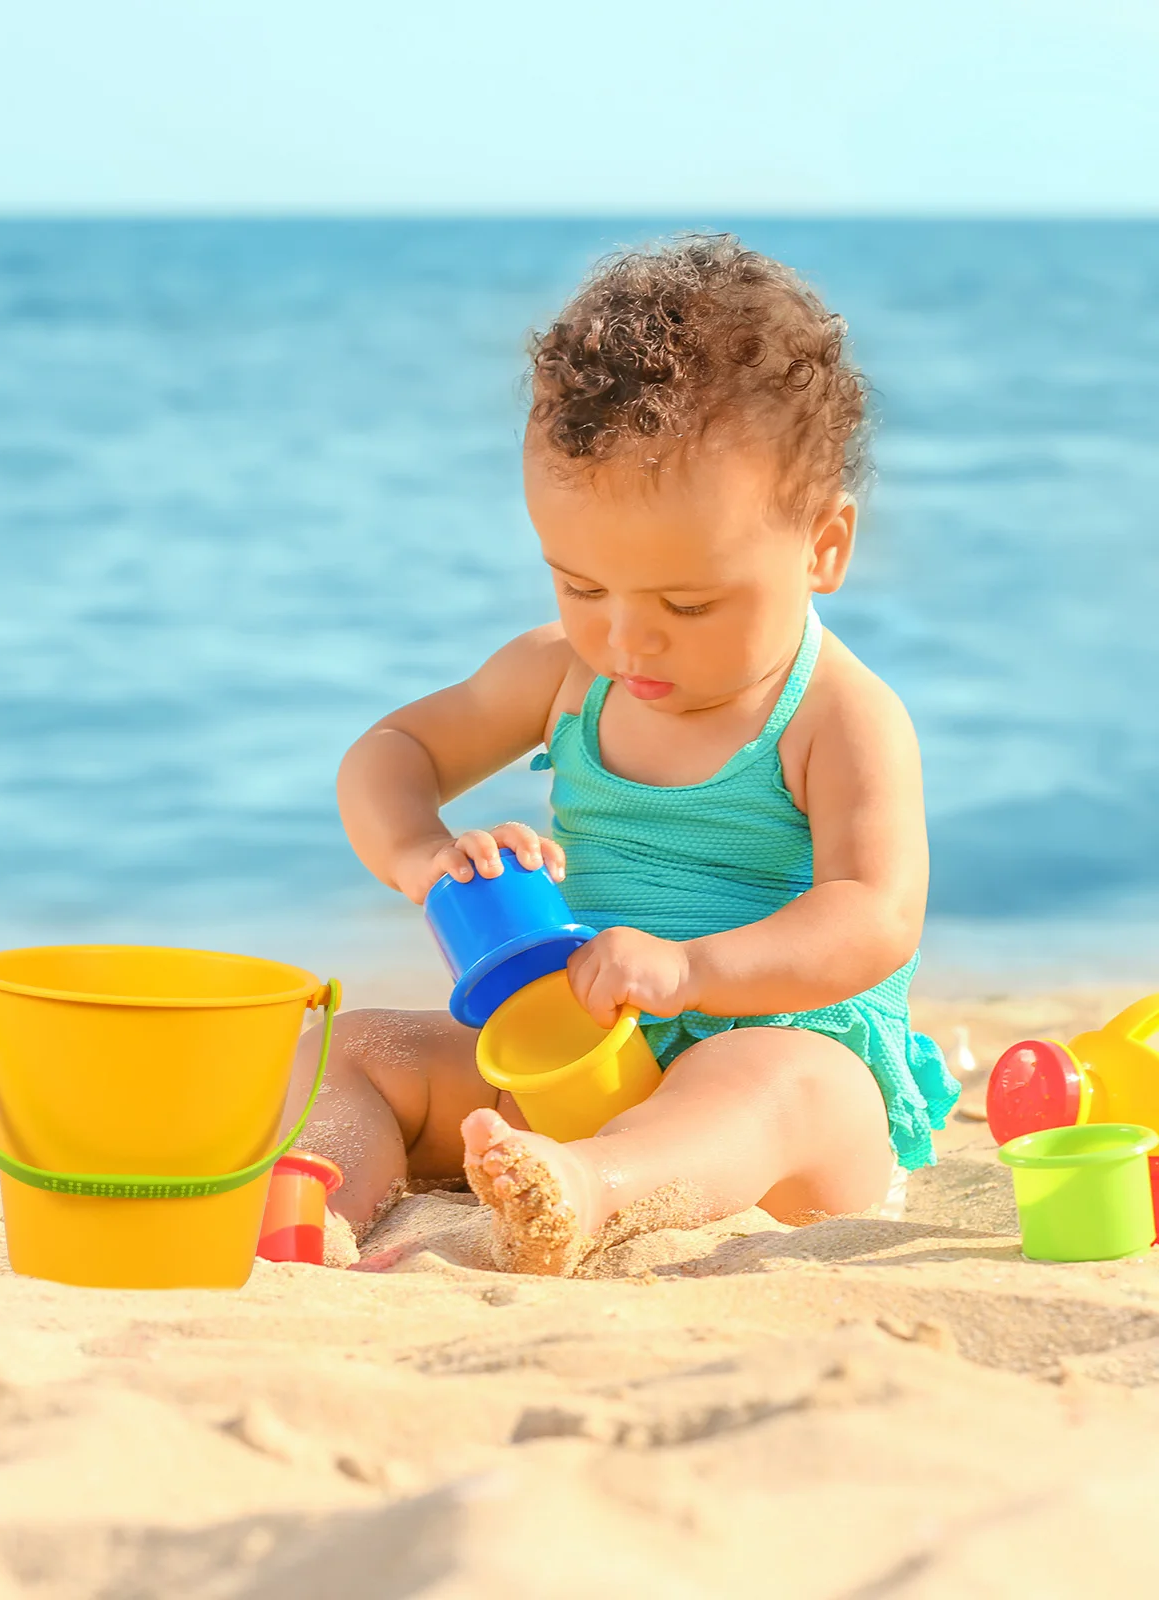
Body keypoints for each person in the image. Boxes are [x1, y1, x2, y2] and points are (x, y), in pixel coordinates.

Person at [288, 234, 959, 1276]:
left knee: (770, 1081)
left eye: (686, 603)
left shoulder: (838, 716)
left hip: (785, 1076)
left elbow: (873, 916)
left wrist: (694, 970)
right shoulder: (565, 676)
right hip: (579, 1050)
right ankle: (316, 1203)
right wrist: (422, 855)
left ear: (823, 546)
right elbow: (392, 749)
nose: (626, 639)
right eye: (580, 586)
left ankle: (588, 1190)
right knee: (353, 1046)